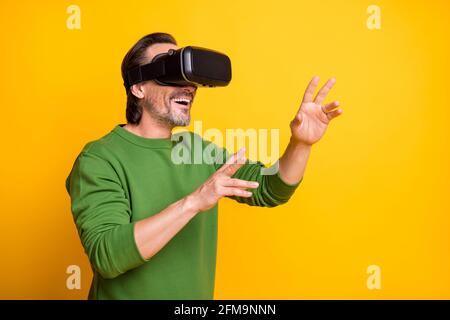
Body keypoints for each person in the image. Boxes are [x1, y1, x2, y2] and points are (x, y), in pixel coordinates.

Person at [65, 32, 343, 299]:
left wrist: (301, 143)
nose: (188, 86)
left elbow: (271, 189)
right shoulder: (100, 158)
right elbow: (108, 255)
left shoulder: (196, 149)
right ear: (138, 87)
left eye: (190, 78)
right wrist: (194, 202)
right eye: (171, 72)